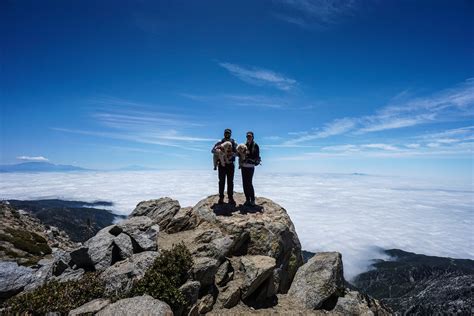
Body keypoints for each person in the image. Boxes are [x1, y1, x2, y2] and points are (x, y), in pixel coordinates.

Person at [211, 128, 237, 204]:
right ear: (224, 134)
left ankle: (230, 197)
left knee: (230, 182)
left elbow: (237, 152)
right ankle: (221, 197)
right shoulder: (220, 142)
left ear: (230, 134)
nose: (227, 134)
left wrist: (232, 154)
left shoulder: (233, 142)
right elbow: (212, 151)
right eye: (226, 133)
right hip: (222, 165)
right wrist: (218, 151)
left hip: (230, 164)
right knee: (221, 181)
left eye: (228, 133)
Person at [241, 131, 261, 206]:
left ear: (252, 137)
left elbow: (256, 156)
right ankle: (247, 199)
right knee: (244, 183)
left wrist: (247, 155)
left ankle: (252, 200)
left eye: (250, 136)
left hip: (250, 166)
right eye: (247, 136)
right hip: (244, 166)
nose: (248, 137)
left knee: (249, 183)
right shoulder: (244, 145)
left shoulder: (255, 145)